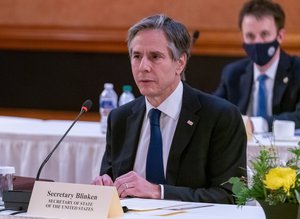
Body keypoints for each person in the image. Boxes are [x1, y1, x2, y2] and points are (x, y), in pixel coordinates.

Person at [92, 14, 247, 204]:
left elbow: (230, 196)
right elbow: (110, 181)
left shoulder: (220, 116)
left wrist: (159, 191)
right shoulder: (120, 118)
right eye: (137, 56)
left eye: (155, 56)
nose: (143, 67)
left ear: (180, 63)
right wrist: (104, 186)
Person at [214, 0, 300, 133]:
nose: (257, 42)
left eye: (264, 34)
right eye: (250, 36)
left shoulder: (297, 70)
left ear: (280, 35)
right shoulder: (233, 73)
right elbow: (213, 111)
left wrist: (255, 124)